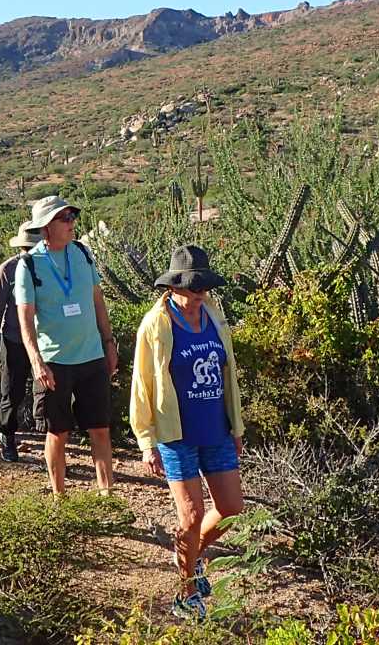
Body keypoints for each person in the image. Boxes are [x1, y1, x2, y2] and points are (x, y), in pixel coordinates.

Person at [130, 245, 245, 621]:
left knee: (230, 510)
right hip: (176, 433)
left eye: (204, 286)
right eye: (192, 286)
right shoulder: (156, 324)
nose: (199, 293)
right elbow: (142, 384)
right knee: (191, 516)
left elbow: (229, 373)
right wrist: (147, 443)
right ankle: (186, 592)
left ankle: (191, 556)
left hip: (217, 428)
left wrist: (237, 425)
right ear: (174, 286)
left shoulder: (214, 314)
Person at [14, 195, 119, 495]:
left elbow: (98, 302)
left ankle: (106, 494)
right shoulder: (29, 265)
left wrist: (108, 343)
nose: (72, 222)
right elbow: (25, 320)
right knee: (57, 432)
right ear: (46, 227)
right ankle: (59, 496)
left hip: (91, 356)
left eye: (72, 216)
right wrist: (36, 362)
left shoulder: (83, 254)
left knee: (100, 428)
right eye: (65, 218)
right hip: (54, 361)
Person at [0, 224, 44, 462]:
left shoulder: (49, 267)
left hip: (43, 341)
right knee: (12, 392)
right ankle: (7, 437)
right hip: (14, 339)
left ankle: (50, 441)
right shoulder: (8, 269)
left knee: (47, 391)